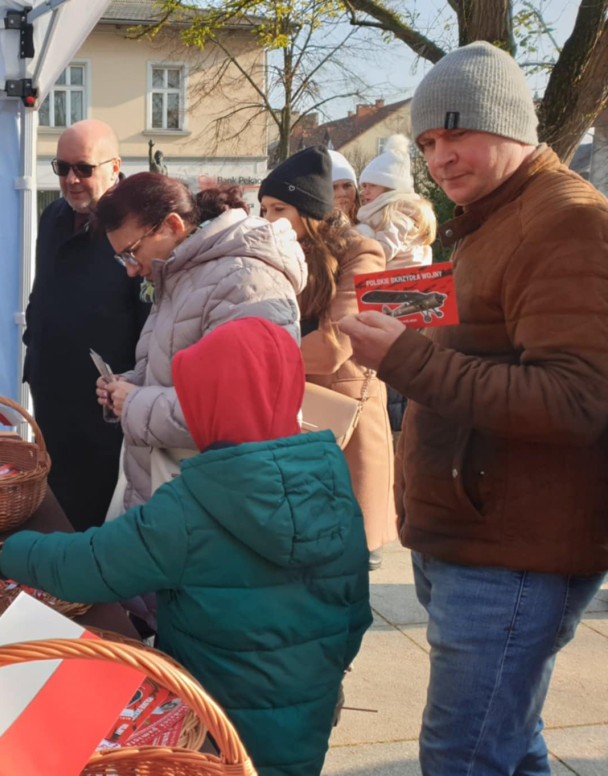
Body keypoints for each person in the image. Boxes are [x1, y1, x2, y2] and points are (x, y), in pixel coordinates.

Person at [338, 42, 608, 775]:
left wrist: (404, 356)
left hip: (514, 555)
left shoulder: (567, 220)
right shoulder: (490, 217)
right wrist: (383, 306)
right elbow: (477, 333)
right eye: (428, 141)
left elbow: (577, 399)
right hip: (473, 537)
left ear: (509, 122)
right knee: (511, 747)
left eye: (456, 131)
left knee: (463, 757)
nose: (440, 155)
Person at [0, 317, 371, 776]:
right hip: (305, 721)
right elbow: (355, 614)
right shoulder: (333, 487)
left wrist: (14, 553)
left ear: (210, 405)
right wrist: (315, 684)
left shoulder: (192, 506)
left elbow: (91, 563)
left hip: (209, 729)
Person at [95, 174, 306, 516]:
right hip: (179, 495)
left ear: (172, 225)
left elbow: (241, 411)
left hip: (213, 504)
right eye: (122, 259)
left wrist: (134, 402)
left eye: (131, 254)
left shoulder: (245, 279)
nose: (131, 271)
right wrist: (129, 385)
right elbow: (176, 371)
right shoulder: (181, 272)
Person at [259, 146, 396, 571]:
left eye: (278, 208)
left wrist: (258, 363)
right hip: (295, 415)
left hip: (343, 421)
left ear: (309, 211)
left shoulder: (363, 252)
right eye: (263, 209)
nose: (267, 220)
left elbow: (339, 342)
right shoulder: (279, 250)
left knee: (346, 561)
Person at [23, 119, 149, 532]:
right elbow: (44, 288)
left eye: (84, 168)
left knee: (97, 514)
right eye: (62, 168)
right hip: (52, 389)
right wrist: (34, 338)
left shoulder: (137, 223)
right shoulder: (55, 215)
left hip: (104, 403)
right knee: (54, 501)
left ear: (114, 167)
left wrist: (136, 386)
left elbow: (150, 318)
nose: (72, 179)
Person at [355, 134, 436, 270]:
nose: (365, 191)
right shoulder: (384, 211)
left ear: (389, 188)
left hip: (398, 280)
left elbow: (385, 250)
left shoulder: (396, 214)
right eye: (364, 186)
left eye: (373, 185)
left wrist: (357, 242)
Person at [329, 149, 360, 223]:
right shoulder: (311, 232)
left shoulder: (375, 227)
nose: (342, 193)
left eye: (347, 186)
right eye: (333, 187)